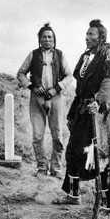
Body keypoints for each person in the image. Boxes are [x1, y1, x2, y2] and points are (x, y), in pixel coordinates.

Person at [59, 19, 110, 205]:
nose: (86, 37)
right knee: (73, 151)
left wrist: (99, 100)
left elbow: (109, 80)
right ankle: (72, 195)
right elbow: (79, 82)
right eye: (86, 34)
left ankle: (106, 201)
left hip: (100, 111)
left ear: (101, 37)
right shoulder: (86, 56)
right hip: (82, 109)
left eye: (91, 34)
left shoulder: (108, 54)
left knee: (100, 155)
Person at [17, 23, 73, 178]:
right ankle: (41, 167)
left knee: (57, 134)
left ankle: (56, 168)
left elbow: (69, 76)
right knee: (37, 135)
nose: (47, 39)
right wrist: (31, 86)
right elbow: (21, 73)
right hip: (37, 99)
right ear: (39, 39)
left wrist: (57, 88)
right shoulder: (33, 55)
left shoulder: (60, 55)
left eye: (50, 37)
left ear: (54, 39)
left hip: (56, 98)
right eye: (44, 37)